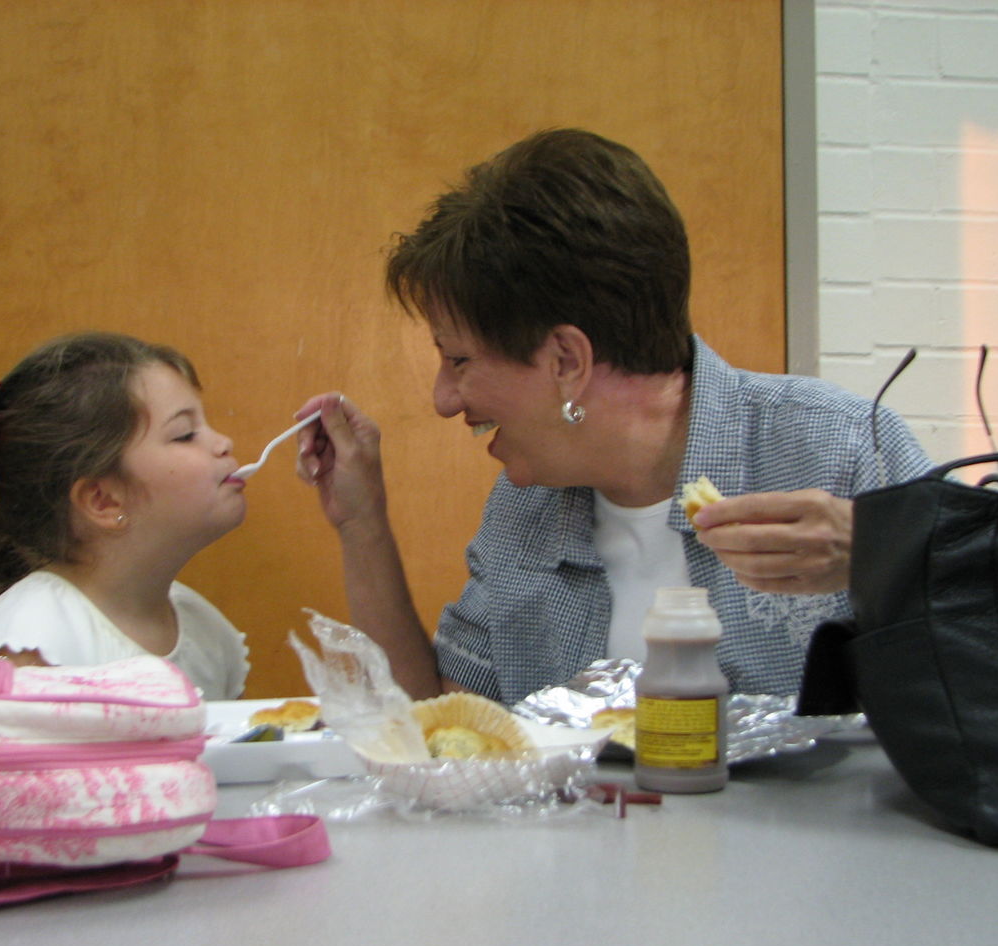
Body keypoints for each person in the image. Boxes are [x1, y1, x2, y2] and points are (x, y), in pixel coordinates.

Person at [295, 128, 932, 705]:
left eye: (459, 359)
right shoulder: (526, 512)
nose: (443, 399)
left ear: (567, 359)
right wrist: (362, 522)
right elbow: (446, 728)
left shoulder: (837, 448)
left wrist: (880, 551)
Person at [0, 331, 249, 700]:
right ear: (103, 500)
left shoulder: (203, 627)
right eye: (185, 434)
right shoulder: (33, 646)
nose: (224, 443)